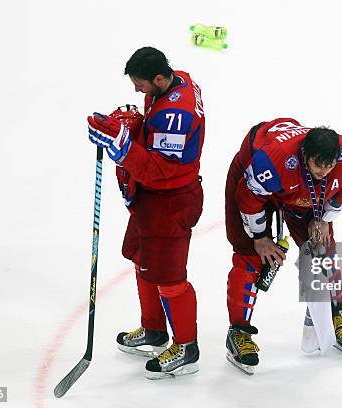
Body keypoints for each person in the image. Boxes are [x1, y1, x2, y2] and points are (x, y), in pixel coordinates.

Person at [87, 47, 205, 379]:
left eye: (140, 85)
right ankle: (154, 330)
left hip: (170, 202)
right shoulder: (178, 79)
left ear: (158, 78)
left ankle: (187, 348)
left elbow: (159, 169)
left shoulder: (174, 115)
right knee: (142, 260)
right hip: (152, 200)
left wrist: (121, 143)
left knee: (170, 279)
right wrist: (127, 128)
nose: (137, 92)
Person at [224, 118, 342, 374]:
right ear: (304, 154)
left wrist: (325, 218)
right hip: (254, 183)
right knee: (251, 257)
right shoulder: (272, 162)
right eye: (318, 165)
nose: (325, 171)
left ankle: (333, 315)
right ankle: (238, 333)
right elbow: (248, 200)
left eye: (330, 165)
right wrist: (259, 237)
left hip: (297, 191)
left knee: (322, 249)